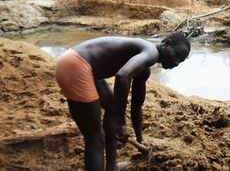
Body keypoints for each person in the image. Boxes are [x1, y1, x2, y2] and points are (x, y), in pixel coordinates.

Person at [55, 33, 191, 171]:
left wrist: (140, 138)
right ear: (167, 43)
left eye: (181, 61)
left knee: (113, 110)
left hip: (81, 65)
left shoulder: (144, 66)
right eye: (177, 55)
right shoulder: (151, 52)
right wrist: (121, 123)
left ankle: (112, 167)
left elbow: (137, 105)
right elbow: (123, 76)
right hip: (76, 65)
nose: (176, 63)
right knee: (95, 136)